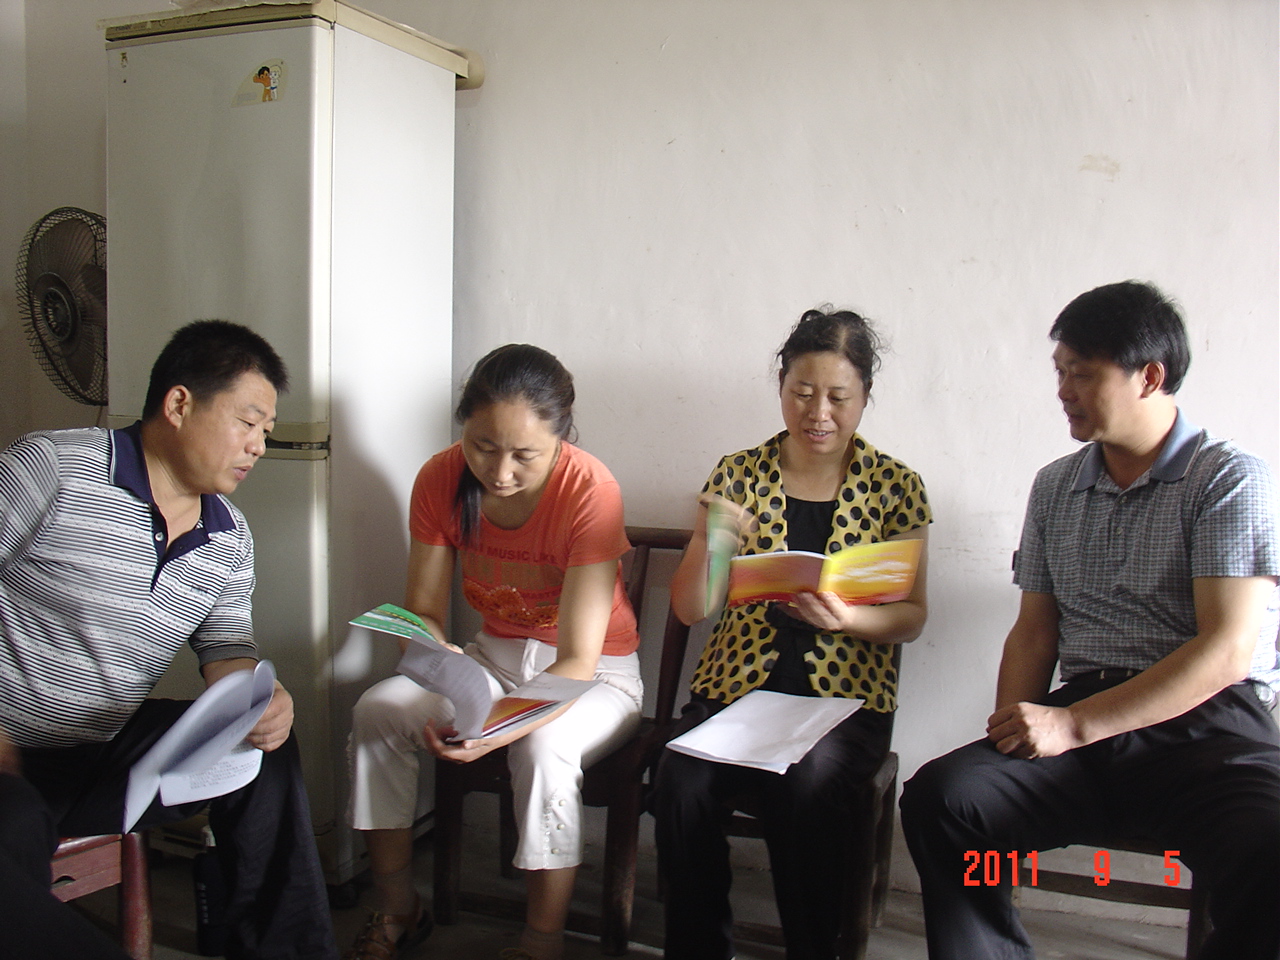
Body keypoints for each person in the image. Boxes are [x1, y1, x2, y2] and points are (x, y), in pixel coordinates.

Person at [899, 281, 1280, 960]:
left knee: (1271, 845)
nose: (1063, 390)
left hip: (1209, 725)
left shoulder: (1228, 478)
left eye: (1082, 373)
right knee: (947, 799)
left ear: (1149, 377)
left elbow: (1226, 649)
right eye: (1059, 372)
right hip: (1084, 716)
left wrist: (1073, 724)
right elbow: (1034, 632)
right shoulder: (1055, 485)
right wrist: (1012, 731)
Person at [0, 319, 338, 960]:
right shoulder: (53, 469)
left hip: (102, 756)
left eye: (267, 432)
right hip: (9, 755)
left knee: (266, 753)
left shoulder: (228, 536)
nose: (259, 446)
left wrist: (259, 700)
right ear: (179, 404)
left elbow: (226, 648)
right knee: (13, 822)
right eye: (247, 423)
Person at [346, 344, 643, 960]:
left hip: (596, 678)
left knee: (544, 745)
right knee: (378, 710)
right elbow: (425, 609)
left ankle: (542, 942)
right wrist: (433, 651)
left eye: (524, 455)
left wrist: (496, 731)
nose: (499, 472)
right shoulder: (439, 478)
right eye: (482, 446)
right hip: (490, 660)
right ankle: (397, 906)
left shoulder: (590, 490)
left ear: (560, 437)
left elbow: (576, 661)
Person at [652, 307, 932, 960]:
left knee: (807, 785)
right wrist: (715, 537)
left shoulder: (896, 486)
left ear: (865, 395)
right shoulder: (739, 474)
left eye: (838, 396)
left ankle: (814, 949)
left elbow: (913, 615)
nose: (818, 413)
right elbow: (692, 609)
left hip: (844, 705)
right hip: (737, 694)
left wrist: (849, 618)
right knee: (679, 780)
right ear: (781, 387)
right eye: (802, 393)